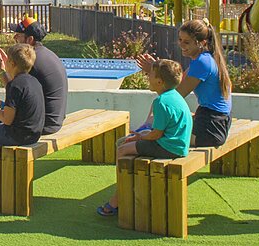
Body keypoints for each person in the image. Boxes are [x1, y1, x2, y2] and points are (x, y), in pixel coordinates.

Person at [96, 59, 193, 216]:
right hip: (178, 146)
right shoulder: (175, 96)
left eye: (151, 74)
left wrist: (140, 137)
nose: (148, 77)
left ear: (159, 82)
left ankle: (119, 197)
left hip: (167, 147)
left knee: (122, 149)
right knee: (126, 143)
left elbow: (156, 134)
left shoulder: (161, 102)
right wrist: (142, 136)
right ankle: (126, 190)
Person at [136, 19, 232, 148]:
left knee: (156, 130)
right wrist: (156, 69)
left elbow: (174, 96)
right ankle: (145, 129)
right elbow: (177, 81)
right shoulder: (205, 58)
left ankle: (144, 130)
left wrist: (155, 73)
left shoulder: (202, 63)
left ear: (202, 43)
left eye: (187, 42)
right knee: (158, 116)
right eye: (180, 40)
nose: (181, 45)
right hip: (215, 121)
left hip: (211, 128)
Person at [0, 14, 68, 134]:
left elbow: (15, 91)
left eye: (18, 35)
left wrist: (1, 72)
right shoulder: (47, 54)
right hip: (52, 120)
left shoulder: (31, 62)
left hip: (40, 124)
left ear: (29, 40)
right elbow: (21, 96)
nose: (14, 38)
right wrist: (10, 67)